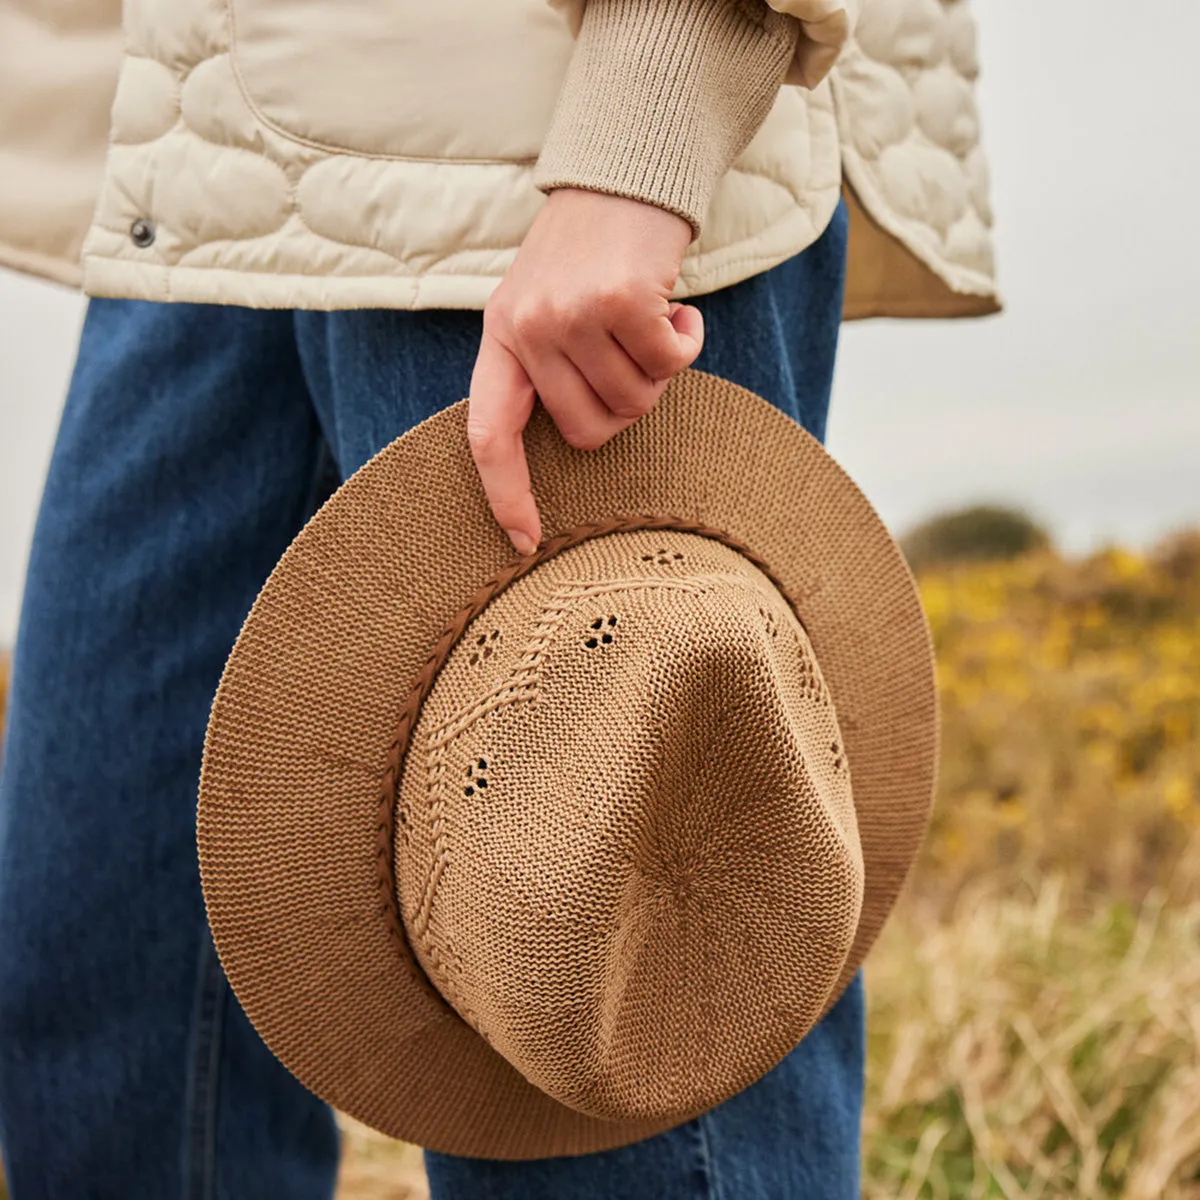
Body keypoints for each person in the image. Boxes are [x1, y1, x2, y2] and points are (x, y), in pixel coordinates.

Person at [0, 0, 997, 1196]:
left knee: (609, 1008)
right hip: (205, 153)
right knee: (107, 996)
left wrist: (649, 119)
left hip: (534, 163)